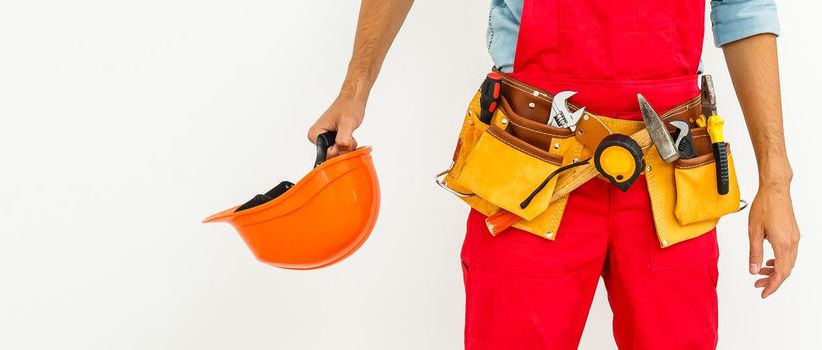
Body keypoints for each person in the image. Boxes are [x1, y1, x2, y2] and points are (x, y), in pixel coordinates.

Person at [308, 0, 800, 349]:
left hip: (669, 176)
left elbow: (745, 11)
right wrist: (355, 89)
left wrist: (776, 180)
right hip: (531, 163)